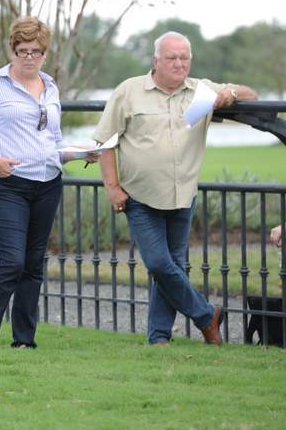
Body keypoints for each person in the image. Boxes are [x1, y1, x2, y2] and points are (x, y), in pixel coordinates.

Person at [93, 31, 257, 347]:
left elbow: (253, 95)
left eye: (184, 58)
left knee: (172, 268)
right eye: (172, 57)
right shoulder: (129, 91)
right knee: (158, 263)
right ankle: (206, 315)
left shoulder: (202, 91)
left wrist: (230, 94)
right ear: (156, 61)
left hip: (183, 196)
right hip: (139, 195)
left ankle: (158, 337)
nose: (179, 63)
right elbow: (104, 141)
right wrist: (112, 187)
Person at [0, 16, 96, 350]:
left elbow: (54, 144)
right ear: (12, 50)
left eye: (36, 51)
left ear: (45, 53)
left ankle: (24, 340)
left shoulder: (51, 87)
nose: (29, 57)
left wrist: (82, 154)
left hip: (48, 183)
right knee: (12, 262)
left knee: (34, 264)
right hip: (9, 184)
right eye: (22, 50)